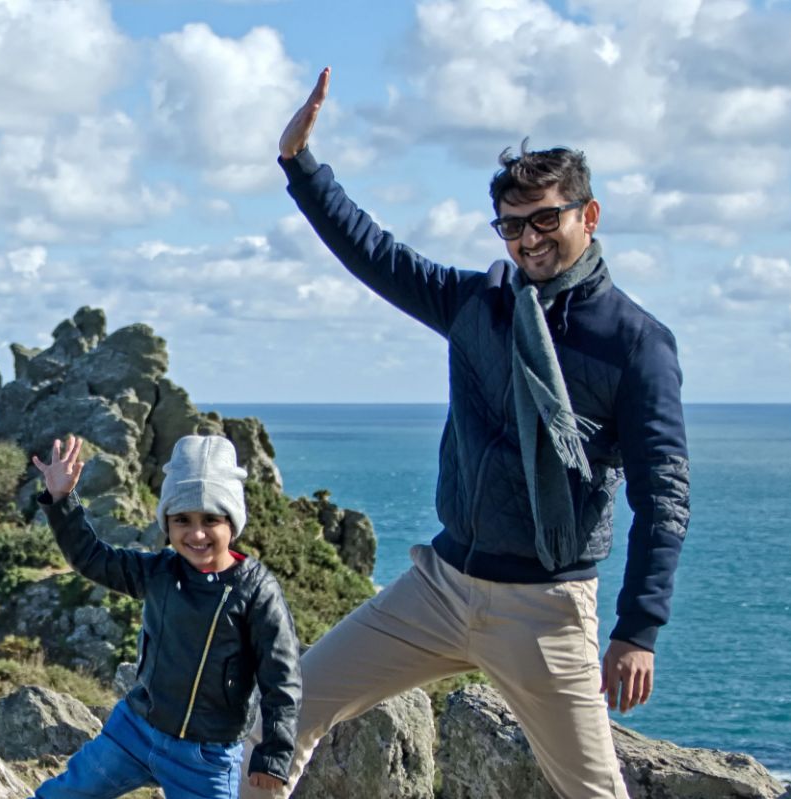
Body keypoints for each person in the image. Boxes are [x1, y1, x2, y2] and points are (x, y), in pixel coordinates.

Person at [262, 68, 690, 799]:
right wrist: (302, 168)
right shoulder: (480, 305)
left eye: (545, 220)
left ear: (590, 215)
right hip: (443, 583)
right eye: (512, 226)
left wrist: (638, 629)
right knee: (287, 707)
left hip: (545, 608)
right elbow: (377, 254)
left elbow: (665, 498)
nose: (528, 240)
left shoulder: (636, 343)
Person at [29, 433, 301, 798]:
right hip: (135, 730)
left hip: (206, 756)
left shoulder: (256, 590)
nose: (197, 533)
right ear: (167, 524)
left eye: (211, 519)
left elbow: (281, 679)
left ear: (233, 523)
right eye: (182, 520)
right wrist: (62, 500)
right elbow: (92, 558)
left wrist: (275, 754)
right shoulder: (159, 571)